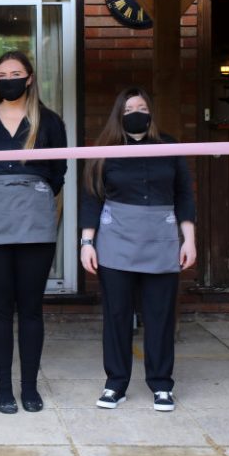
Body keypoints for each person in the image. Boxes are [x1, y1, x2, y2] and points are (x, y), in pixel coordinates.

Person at [0, 51, 67, 414]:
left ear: (29, 78)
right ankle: (4, 387)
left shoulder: (49, 121)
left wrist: (30, 195)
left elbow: (58, 173)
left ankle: (30, 387)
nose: (9, 80)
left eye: (15, 74)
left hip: (35, 218)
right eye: (2, 75)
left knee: (31, 308)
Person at [79, 87, 196, 412]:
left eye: (142, 108)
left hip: (161, 239)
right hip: (115, 240)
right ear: (119, 114)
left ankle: (161, 384)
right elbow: (91, 197)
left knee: (160, 315)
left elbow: (184, 194)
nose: (136, 113)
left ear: (151, 112)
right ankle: (115, 384)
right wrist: (87, 243)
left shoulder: (169, 146)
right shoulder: (105, 149)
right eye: (129, 109)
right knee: (117, 315)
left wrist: (189, 238)